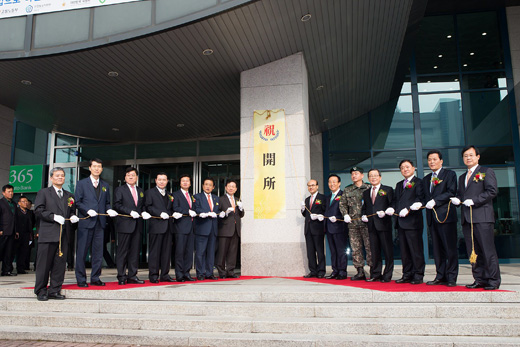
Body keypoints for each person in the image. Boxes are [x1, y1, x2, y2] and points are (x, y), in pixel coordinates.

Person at [450, 145, 500, 290]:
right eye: (465, 156)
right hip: (467, 219)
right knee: (474, 252)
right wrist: (457, 200)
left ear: (478, 157)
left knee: (487, 250)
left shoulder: (486, 171)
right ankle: (479, 279)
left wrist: (475, 200)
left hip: (483, 218)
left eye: (471, 155)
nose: (468, 158)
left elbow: (492, 191)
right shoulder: (462, 177)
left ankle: (493, 280)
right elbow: (462, 195)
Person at [34, 167, 79, 301]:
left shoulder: (69, 195)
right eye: (57, 175)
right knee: (44, 265)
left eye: (62, 176)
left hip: (63, 235)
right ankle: (41, 291)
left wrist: (72, 217)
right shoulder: (44, 193)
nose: (60, 177)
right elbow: (38, 210)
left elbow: (71, 210)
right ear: (51, 178)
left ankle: (54, 290)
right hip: (48, 234)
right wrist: (52, 216)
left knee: (59, 265)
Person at [74, 158, 118, 287]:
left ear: (102, 169)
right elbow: (77, 202)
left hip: (100, 224)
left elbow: (107, 203)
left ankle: (95, 277)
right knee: (82, 252)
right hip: (86, 223)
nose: (97, 168)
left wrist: (109, 210)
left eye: (99, 166)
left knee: (98, 252)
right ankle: (81, 279)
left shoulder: (105, 185)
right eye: (94, 166)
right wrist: (87, 210)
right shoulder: (81, 184)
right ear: (90, 168)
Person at [423, 150, 458, 287]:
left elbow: (451, 191)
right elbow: (425, 197)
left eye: (434, 159)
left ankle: (451, 277)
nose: (432, 162)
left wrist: (436, 201)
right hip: (432, 218)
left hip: (446, 217)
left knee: (450, 248)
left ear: (441, 161)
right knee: (437, 249)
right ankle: (440, 275)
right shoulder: (426, 179)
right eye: (429, 160)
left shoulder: (449, 174)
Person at [393, 159, 425, 284]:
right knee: (404, 251)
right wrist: (393, 208)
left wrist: (409, 209)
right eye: (402, 168)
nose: (405, 169)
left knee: (415, 250)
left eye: (407, 167)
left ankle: (418, 274)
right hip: (401, 222)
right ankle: (407, 274)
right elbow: (396, 200)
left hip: (413, 222)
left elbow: (420, 198)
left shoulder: (419, 183)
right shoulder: (399, 184)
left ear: (413, 168)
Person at [113, 167, 148, 285]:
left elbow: (142, 206)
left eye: (133, 175)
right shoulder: (120, 190)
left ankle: (132, 275)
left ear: (137, 177)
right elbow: (117, 205)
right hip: (125, 224)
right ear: (125, 177)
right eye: (128, 175)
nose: (131, 177)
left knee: (134, 252)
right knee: (123, 251)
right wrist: (129, 212)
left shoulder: (140, 190)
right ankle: (122, 276)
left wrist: (143, 211)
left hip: (137, 225)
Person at [361, 169, 394, 282]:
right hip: (371, 225)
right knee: (374, 251)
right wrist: (363, 215)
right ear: (368, 178)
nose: (373, 177)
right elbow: (365, 207)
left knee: (387, 251)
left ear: (380, 177)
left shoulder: (388, 189)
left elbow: (392, 203)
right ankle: (375, 274)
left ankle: (387, 275)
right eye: (371, 176)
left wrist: (388, 210)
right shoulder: (366, 192)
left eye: (375, 175)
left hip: (384, 224)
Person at [339, 167, 372, 281]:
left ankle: (373, 270)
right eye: (352, 174)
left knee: (369, 247)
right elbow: (342, 204)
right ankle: (360, 271)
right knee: (355, 248)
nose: (354, 176)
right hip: (353, 224)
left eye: (356, 173)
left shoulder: (368, 187)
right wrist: (345, 215)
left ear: (362, 175)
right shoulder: (348, 190)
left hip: (367, 223)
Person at [144, 172, 175, 283]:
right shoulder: (150, 193)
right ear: (156, 181)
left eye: (164, 180)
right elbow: (148, 207)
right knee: (155, 252)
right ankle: (153, 275)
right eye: (160, 179)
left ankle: (165, 274)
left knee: (166, 252)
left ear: (167, 181)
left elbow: (171, 208)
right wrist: (159, 213)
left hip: (168, 227)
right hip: (156, 226)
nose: (162, 181)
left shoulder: (169, 194)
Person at [193, 178, 220, 280]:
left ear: (213, 187)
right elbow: (196, 208)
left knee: (211, 252)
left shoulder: (216, 198)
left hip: (213, 229)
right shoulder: (197, 197)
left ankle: (209, 273)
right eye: (206, 184)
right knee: (200, 252)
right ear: (203, 186)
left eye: (210, 185)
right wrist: (206, 213)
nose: (208, 186)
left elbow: (218, 211)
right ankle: (200, 273)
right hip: (202, 228)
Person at [216, 180, 244, 279]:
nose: (231, 188)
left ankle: (230, 271)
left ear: (236, 189)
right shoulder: (221, 199)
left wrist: (241, 208)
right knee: (222, 252)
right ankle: (222, 272)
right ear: (226, 188)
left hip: (235, 230)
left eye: (233, 187)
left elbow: (241, 215)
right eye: (229, 186)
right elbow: (218, 213)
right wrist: (225, 212)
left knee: (233, 252)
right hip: (224, 229)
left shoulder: (237, 199)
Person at [172, 174, 197, 282]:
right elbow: (175, 208)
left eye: (187, 181)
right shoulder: (175, 195)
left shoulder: (192, 196)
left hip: (191, 227)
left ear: (190, 183)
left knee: (189, 252)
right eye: (183, 181)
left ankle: (187, 273)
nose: (185, 183)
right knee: (180, 252)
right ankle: (179, 274)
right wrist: (187, 211)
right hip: (180, 227)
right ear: (180, 183)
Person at [324, 174, 348, 280]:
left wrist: (337, 217)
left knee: (340, 251)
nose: (332, 184)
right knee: (333, 251)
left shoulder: (343, 195)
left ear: (339, 183)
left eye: (334, 181)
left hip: (339, 227)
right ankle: (335, 271)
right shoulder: (328, 197)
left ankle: (342, 271)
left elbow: (346, 211)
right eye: (330, 182)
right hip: (329, 228)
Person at [301, 179, 326, 278]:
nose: (311, 187)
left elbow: (325, 211)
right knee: (310, 252)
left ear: (317, 186)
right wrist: (302, 209)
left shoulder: (322, 198)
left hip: (318, 228)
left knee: (319, 251)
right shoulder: (307, 200)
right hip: (308, 229)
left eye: (313, 185)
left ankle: (321, 271)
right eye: (309, 186)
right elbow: (305, 214)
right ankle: (313, 271)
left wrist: (320, 216)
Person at [13, 196, 33, 274]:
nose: (25, 203)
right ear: (19, 203)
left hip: (26, 234)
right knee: (16, 251)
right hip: (18, 234)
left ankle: (21, 268)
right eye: (23, 201)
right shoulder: (16, 211)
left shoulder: (29, 212)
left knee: (24, 252)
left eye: (26, 201)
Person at [0, 184, 16, 276]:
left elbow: (15, 218)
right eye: (9, 192)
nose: (11, 193)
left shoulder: (13, 204)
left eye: (12, 191)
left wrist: (16, 231)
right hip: (3, 231)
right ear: (3, 193)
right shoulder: (1, 202)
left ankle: (6, 270)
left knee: (9, 252)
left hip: (11, 231)